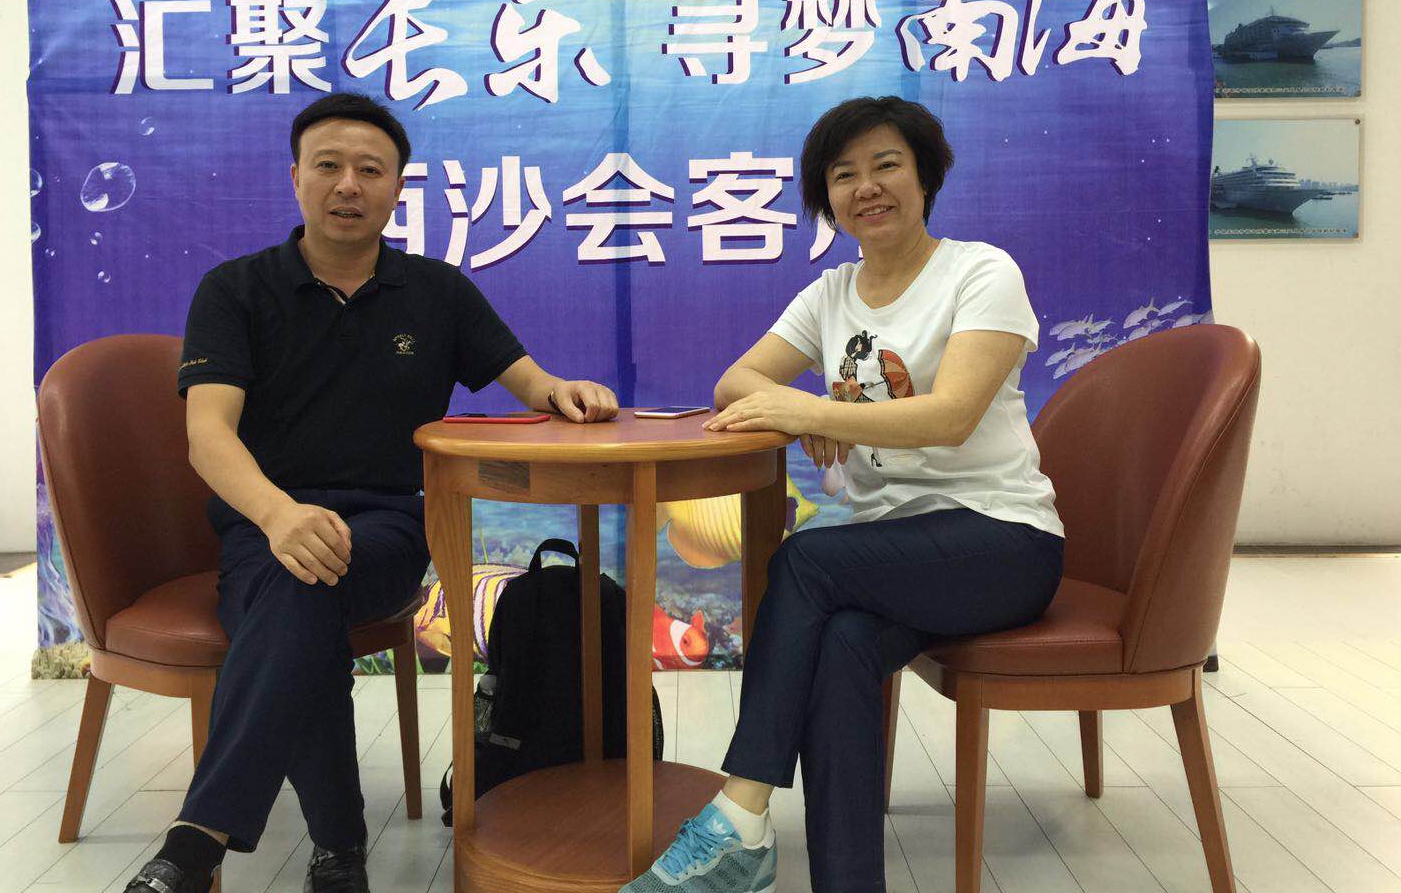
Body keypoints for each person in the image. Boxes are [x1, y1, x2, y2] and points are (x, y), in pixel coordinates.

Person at [123, 93, 619, 893]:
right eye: (328, 166)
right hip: (264, 525)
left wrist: (565, 392)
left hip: (388, 527)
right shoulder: (235, 289)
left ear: (396, 188)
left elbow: (531, 382)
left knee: (305, 581)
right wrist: (280, 514)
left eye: (369, 170)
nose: (347, 184)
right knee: (301, 587)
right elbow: (207, 435)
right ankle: (337, 853)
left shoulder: (437, 291)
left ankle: (201, 840)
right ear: (295, 179)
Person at [623, 96, 1064, 893]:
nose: (867, 187)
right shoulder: (831, 293)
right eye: (843, 174)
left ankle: (739, 815)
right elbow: (736, 383)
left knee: (806, 561)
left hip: (1002, 542)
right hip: (893, 554)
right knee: (842, 648)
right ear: (826, 197)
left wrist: (817, 412)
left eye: (886, 165)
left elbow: (952, 417)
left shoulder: (981, 272)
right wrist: (801, 406)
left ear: (925, 177)